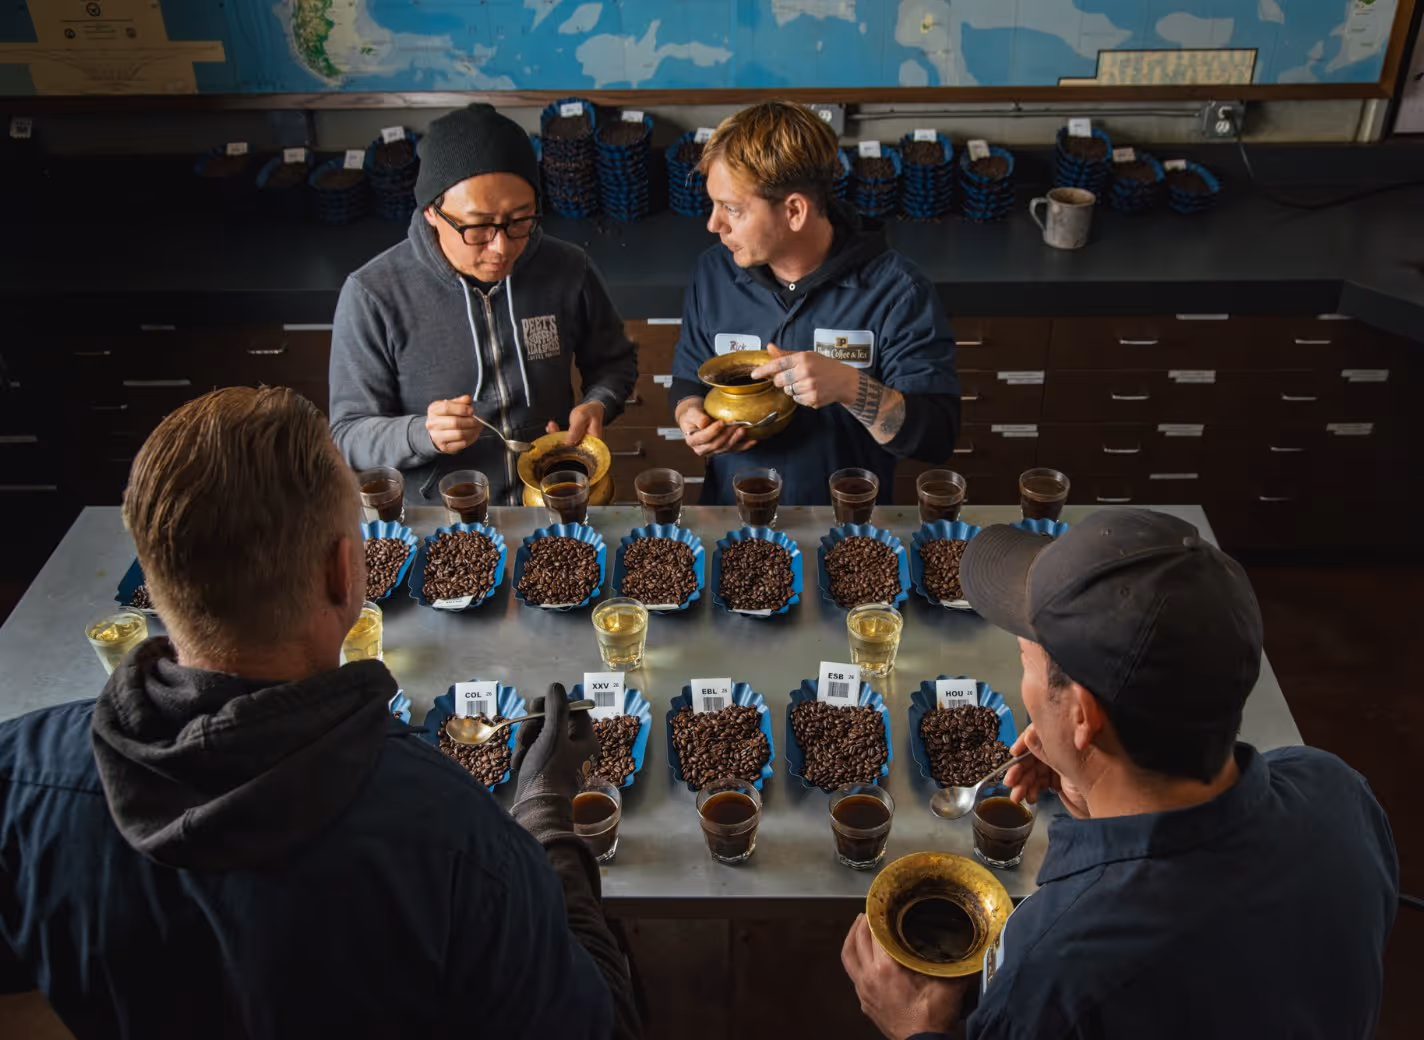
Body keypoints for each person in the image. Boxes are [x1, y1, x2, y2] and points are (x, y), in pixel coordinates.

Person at [0, 387, 639, 1038]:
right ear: (344, 572)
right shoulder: (462, 841)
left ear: (156, 578)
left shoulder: (16, 774)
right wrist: (546, 818)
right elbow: (600, 1026)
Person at [842, 509, 1398, 1040]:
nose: (1024, 685)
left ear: (1082, 714)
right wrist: (1089, 790)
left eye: (1025, 661)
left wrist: (915, 1028)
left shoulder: (1055, 979)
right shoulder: (1335, 788)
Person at [330, 103, 638, 506]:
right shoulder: (373, 294)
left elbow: (614, 362)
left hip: (552, 502)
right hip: (447, 522)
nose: (502, 247)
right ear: (431, 212)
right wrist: (422, 433)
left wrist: (598, 402)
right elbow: (349, 434)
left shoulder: (568, 268)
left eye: (520, 220)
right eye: (477, 227)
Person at [669, 100, 960, 505]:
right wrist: (691, 416)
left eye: (732, 209)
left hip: (849, 526)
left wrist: (850, 387)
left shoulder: (897, 290)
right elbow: (688, 377)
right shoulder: (714, 272)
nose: (714, 224)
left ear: (793, 211)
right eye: (714, 205)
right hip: (735, 519)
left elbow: (937, 437)